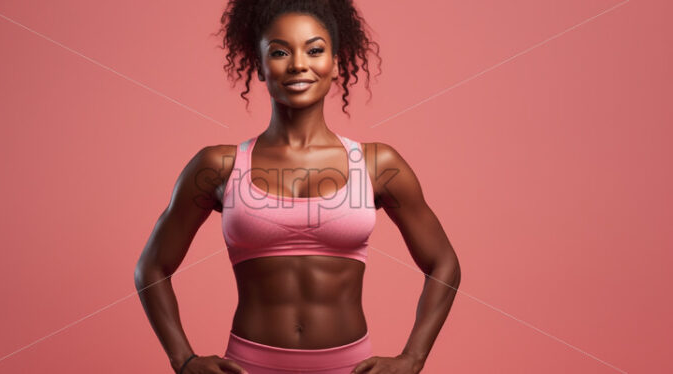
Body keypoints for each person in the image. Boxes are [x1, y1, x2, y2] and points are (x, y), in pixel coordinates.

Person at [134, 1, 461, 373]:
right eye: (279, 52)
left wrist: (413, 358)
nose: (298, 64)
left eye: (315, 50)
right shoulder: (219, 167)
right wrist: (184, 360)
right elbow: (152, 267)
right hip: (249, 366)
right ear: (258, 66)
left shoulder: (377, 165)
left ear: (337, 63)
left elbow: (444, 263)